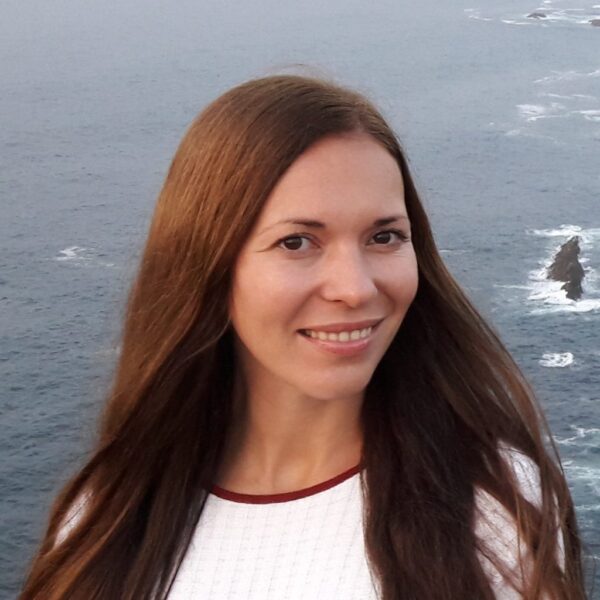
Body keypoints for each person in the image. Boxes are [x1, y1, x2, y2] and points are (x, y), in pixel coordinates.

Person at [21, 74, 587, 599]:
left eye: (385, 237)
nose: (355, 288)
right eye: (296, 242)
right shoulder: (105, 516)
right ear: (207, 265)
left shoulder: (491, 510)